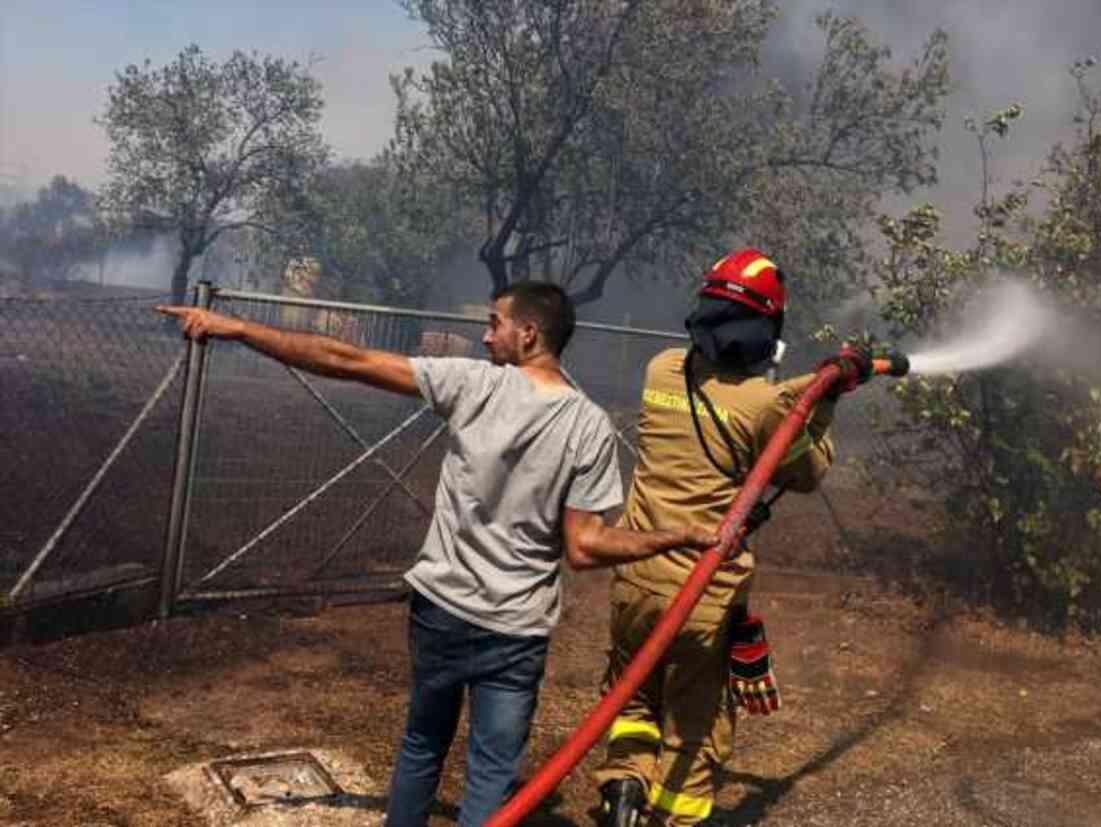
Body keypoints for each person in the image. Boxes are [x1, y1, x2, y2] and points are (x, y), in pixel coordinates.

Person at [157, 282, 717, 827]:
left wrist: (235, 327)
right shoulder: (588, 425)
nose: (483, 336)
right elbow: (586, 547)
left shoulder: (473, 384)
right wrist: (674, 535)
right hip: (515, 631)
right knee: (493, 773)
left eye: (494, 323)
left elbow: (344, 359)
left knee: (423, 745)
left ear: (528, 333)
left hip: (442, 613)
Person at [592, 248, 872, 826]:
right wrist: (827, 397)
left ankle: (622, 788)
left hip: (635, 579)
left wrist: (816, 385)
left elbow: (747, 396)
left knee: (632, 697)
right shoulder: (767, 407)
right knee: (695, 724)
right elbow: (806, 470)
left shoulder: (660, 369)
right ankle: (678, 815)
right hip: (701, 596)